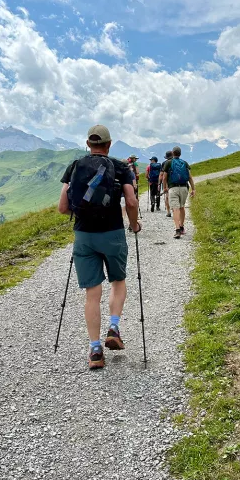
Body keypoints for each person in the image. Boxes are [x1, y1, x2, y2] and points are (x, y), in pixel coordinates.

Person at [58, 124, 141, 369]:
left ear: (88, 144)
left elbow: (62, 208)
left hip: (84, 235)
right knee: (118, 281)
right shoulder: (121, 167)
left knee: (92, 294)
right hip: (113, 233)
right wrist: (134, 225)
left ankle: (95, 351)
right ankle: (113, 327)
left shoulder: (75, 166)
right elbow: (132, 202)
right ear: (109, 144)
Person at [161, 146, 196, 239]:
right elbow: (189, 177)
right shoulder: (184, 163)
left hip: (173, 188)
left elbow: (164, 177)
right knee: (182, 207)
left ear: (172, 153)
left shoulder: (168, 163)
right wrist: (193, 189)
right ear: (180, 153)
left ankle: (177, 230)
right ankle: (182, 226)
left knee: (175, 209)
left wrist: (164, 188)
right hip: (184, 188)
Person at [160, 150, 174, 218]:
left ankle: (168, 212)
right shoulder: (177, 161)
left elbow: (162, 175)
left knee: (167, 197)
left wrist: (160, 184)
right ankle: (176, 210)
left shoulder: (164, 163)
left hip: (168, 182)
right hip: (177, 182)